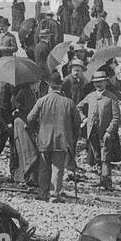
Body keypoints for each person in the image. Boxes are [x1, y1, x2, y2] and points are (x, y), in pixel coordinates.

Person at [27, 73, 81, 202]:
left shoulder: (41, 101)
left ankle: (42, 193)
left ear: (49, 86)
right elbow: (77, 122)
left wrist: (36, 131)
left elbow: (30, 118)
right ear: (61, 85)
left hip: (44, 139)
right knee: (57, 168)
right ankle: (54, 195)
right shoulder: (69, 102)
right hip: (62, 140)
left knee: (44, 167)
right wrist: (72, 136)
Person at [88, 73, 121, 190]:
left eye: (101, 81)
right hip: (92, 132)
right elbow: (78, 107)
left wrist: (109, 131)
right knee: (97, 157)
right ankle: (100, 180)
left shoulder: (112, 97)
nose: (98, 84)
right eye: (96, 82)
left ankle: (107, 183)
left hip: (106, 133)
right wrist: (83, 119)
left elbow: (116, 117)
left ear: (106, 82)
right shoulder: (90, 96)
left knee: (105, 157)